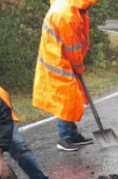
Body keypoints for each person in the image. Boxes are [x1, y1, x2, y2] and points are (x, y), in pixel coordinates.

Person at [33, 0, 98, 152]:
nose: (90, 7)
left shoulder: (71, 6)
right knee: (67, 98)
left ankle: (72, 134)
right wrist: (79, 67)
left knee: (71, 96)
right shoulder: (66, 16)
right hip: (57, 59)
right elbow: (72, 48)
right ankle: (64, 138)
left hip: (59, 55)